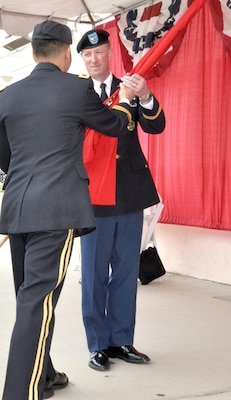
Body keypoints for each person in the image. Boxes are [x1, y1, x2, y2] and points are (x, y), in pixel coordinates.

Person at [0, 21, 136, 400]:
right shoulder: (77, 89)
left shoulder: (7, 95)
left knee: (31, 299)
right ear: (65, 53)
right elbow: (113, 125)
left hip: (16, 210)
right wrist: (125, 101)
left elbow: (4, 157)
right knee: (37, 302)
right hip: (55, 211)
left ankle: (42, 375)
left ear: (32, 53)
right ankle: (20, 393)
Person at [77, 29, 166, 371]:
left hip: (129, 193)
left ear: (110, 52)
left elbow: (156, 127)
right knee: (95, 274)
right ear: (82, 59)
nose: (94, 59)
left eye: (99, 52)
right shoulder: (79, 94)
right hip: (93, 197)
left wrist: (145, 97)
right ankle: (98, 345)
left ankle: (121, 340)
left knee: (126, 272)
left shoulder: (128, 85)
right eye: (88, 54)